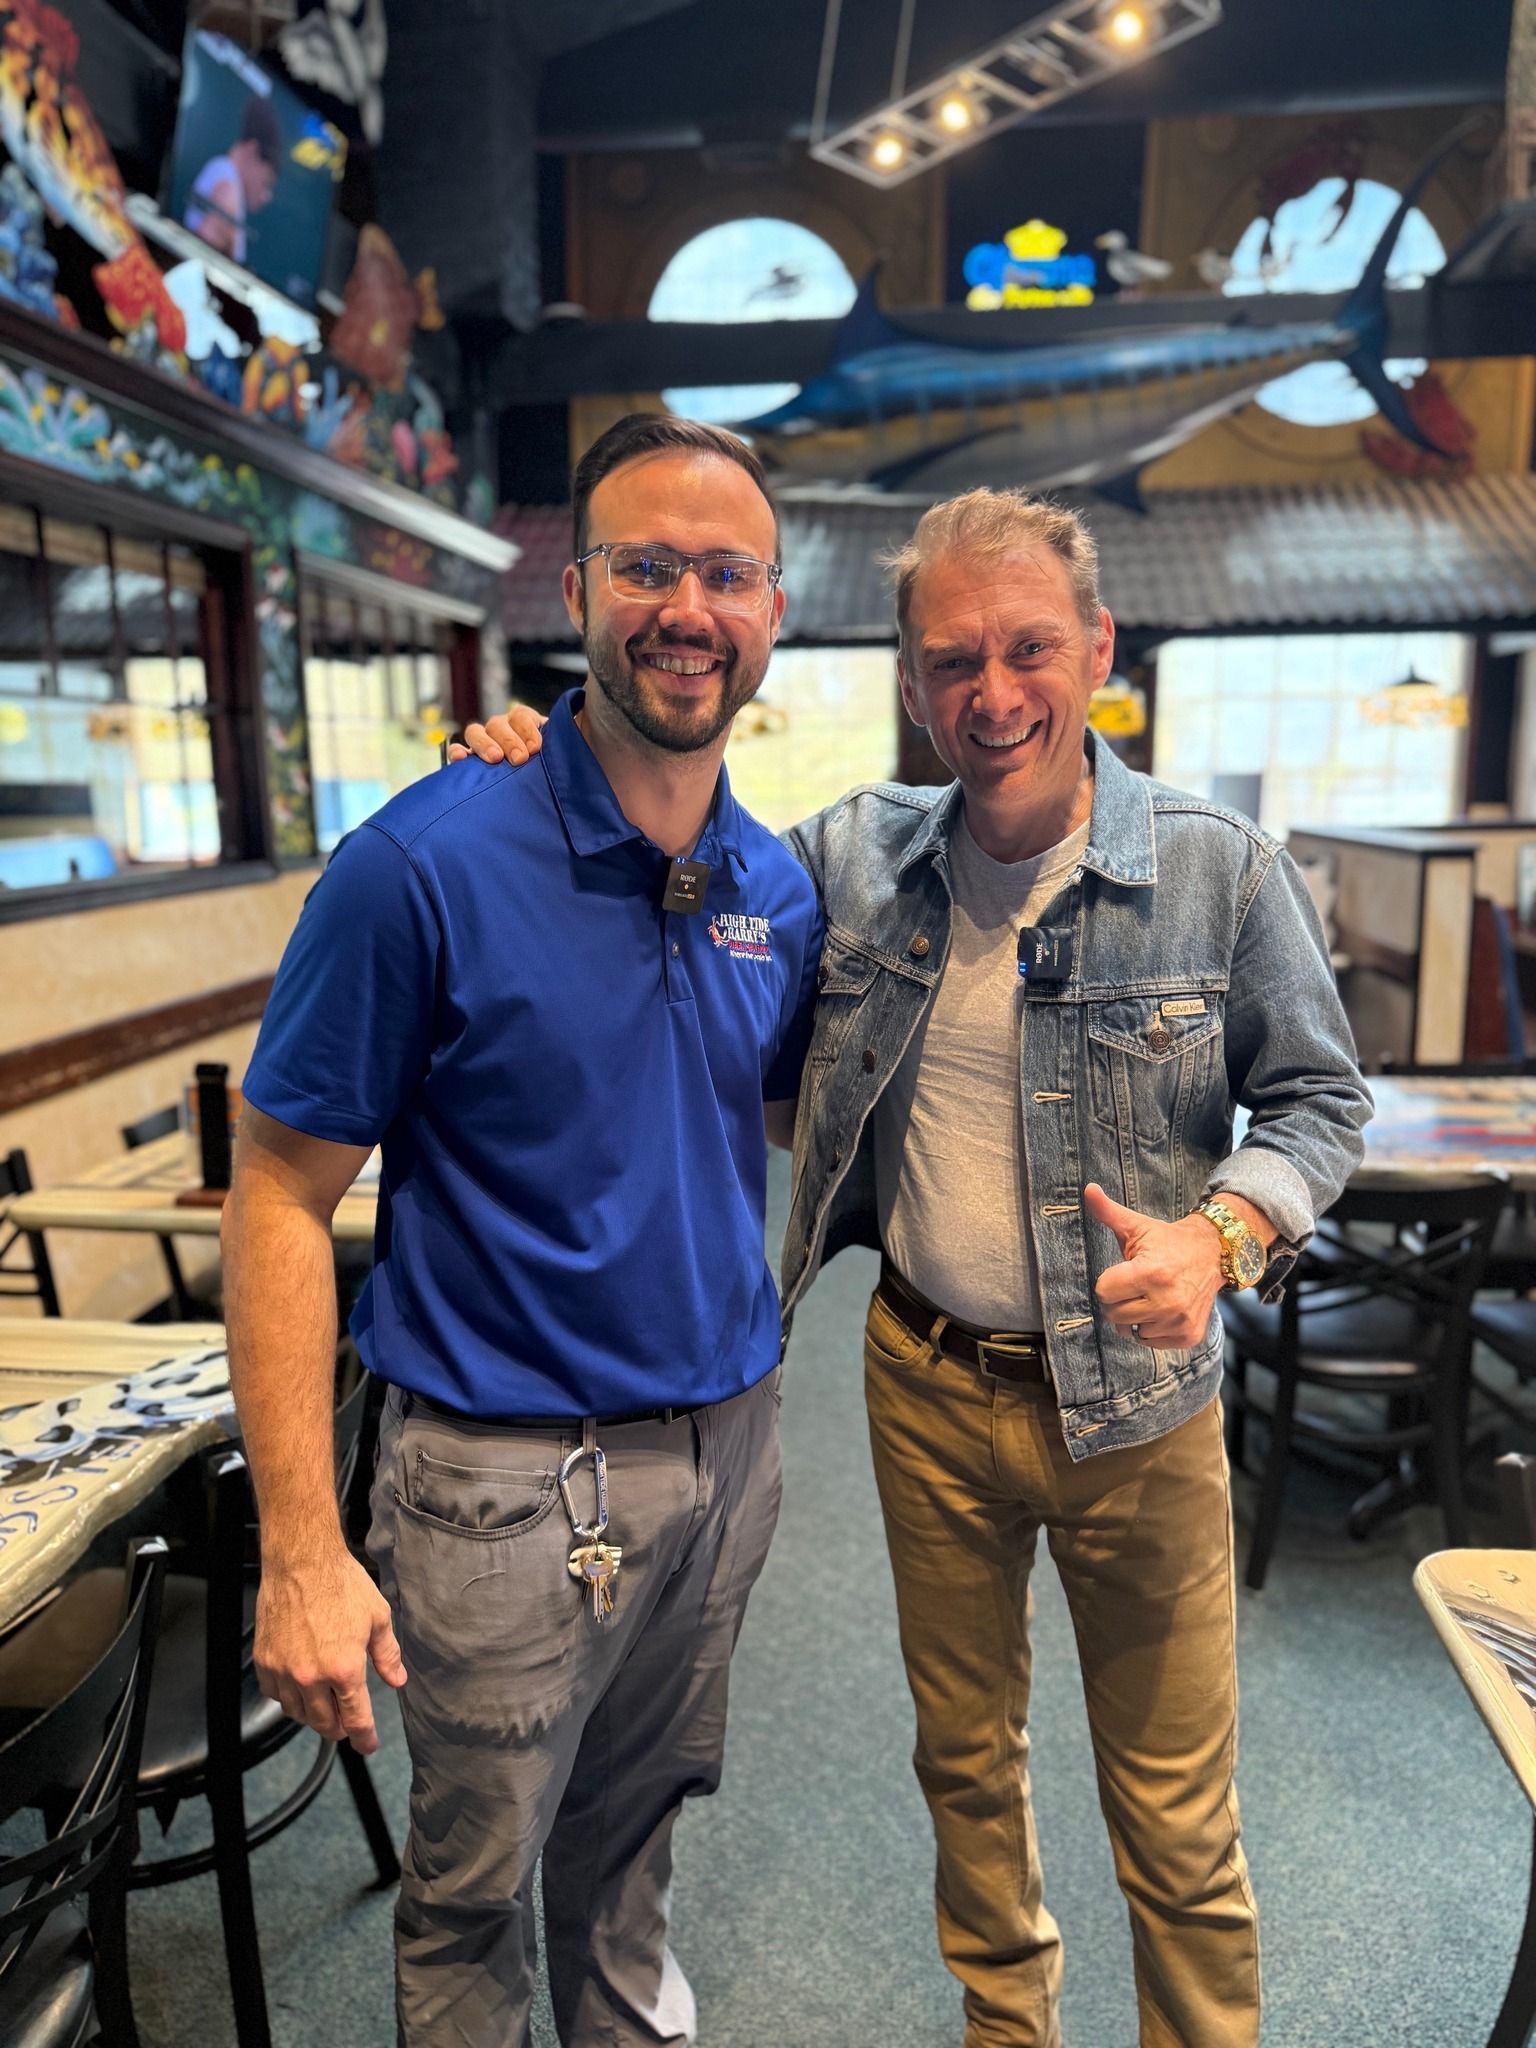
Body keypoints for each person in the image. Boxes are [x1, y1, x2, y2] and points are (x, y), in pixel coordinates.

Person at [467, 486, 1372, 2047]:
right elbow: (673, 842)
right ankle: (1004, 2031)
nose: (994, 696)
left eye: (1030, 650)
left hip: (1142, 1411)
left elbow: (1320, 1101)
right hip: (927, 1385)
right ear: (907, 679)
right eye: (953, 661)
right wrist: (529, 764)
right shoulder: (854, 859)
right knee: (964, 1764)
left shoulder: (1218, 870)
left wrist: (1226, 1232)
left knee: (1171, 1810)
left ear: (1098, 646)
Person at [222, 414, 823, 2047]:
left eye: (726, 571)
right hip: (500, 1480)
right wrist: (299, 1548)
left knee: (630, 1865)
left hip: (729, 1455)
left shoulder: (777, 878)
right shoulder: (420, 862)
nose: (687, 605)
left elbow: (764, 1111)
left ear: (775, 607)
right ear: (578, 586)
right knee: (473, 1900)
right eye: (646, 564)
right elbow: (277, 1192)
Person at [183, 93, 282, 264]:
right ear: (252, 150)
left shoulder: (222, 173)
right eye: (267, 183)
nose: (267, 196)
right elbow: (201, 259)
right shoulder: (229, 189)